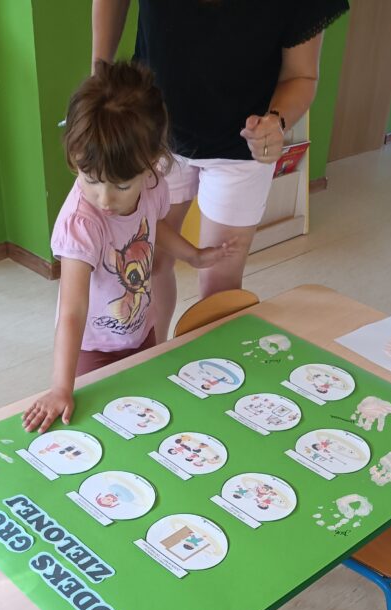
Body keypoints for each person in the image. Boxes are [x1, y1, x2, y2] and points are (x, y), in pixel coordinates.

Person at [92, 0, 350, 343]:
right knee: (149, 262)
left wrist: (276, 123)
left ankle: (210, 370)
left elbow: (301, 74)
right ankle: (153, 354)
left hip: (242, 141)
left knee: (220, 289)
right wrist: (99, 75)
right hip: (153, 128)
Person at [23, 61, 237, 434]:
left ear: (152, 164)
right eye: (90, 179)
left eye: (121, 186)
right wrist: (60, 387)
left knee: (147, 417)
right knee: (98, 429)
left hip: (140, 330)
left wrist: (194, 255)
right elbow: (72, 310)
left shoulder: (152, 187)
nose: (104, 198)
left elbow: (151, 227)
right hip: (92, 349)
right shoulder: (81, 223)